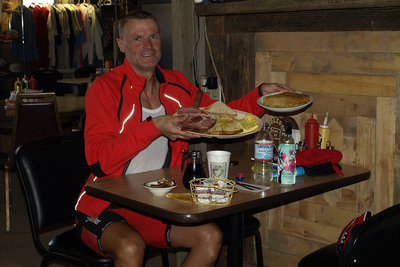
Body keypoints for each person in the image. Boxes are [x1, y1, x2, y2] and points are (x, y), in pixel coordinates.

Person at [74, 10, 293, 267]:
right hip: (105, 204)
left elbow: (223, 116)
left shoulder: (176, 84)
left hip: (157, 202)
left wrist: (260, 96)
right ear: (121, 44)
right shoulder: (105, 88)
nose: (148, 46)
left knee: (210, 236)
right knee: (131, 248)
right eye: (138, 38)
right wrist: (155, 126)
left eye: (154, 37)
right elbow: (99, 161)